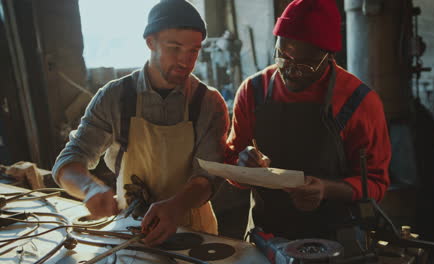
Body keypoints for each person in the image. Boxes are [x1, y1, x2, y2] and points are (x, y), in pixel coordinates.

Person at [52, 0, 229, 247]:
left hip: (192, 229)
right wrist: (89, 188)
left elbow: (207, 178)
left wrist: (176, 206)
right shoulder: (115, 97)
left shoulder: (209, 103)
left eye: (193, 50)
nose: (185, 61)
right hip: (130, 226)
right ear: (150, 42)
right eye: (174, 48)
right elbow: (69, 161)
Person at [226, 0, 391, 242]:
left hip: (337, 241)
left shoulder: (360, 103)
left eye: (305, 65)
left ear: (328, 57)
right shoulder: (253, 91)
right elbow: (230, 162)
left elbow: (376, 184)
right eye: (283, 57)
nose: (291, 71)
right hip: (266, 238)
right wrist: (243, 167)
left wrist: (326, 189)